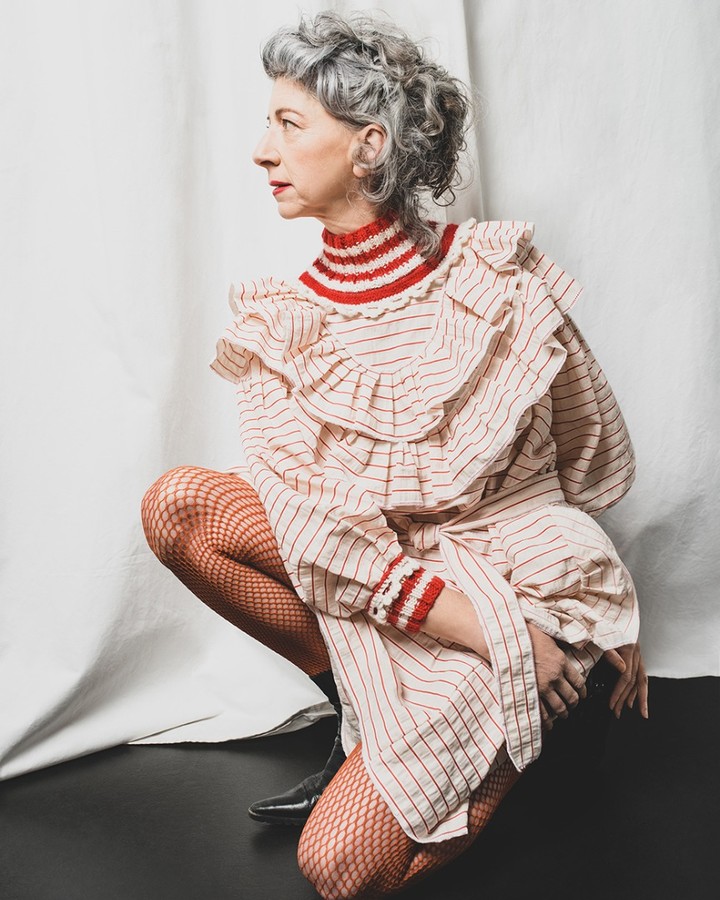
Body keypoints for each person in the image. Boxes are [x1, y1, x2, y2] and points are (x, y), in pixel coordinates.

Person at [141, 11, 649, 899]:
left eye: (289, 124)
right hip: (414, 596)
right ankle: (380, 712)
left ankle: (518, 731)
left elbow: (594, 459)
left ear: (368, 145)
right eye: (268, 123)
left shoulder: (500, 275)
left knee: (336, 866)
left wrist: (587, 611)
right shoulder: (282, 326)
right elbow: (329, 544)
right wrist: (506, 643)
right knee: (180, 505)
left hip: (524, 578)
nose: (262, 150)